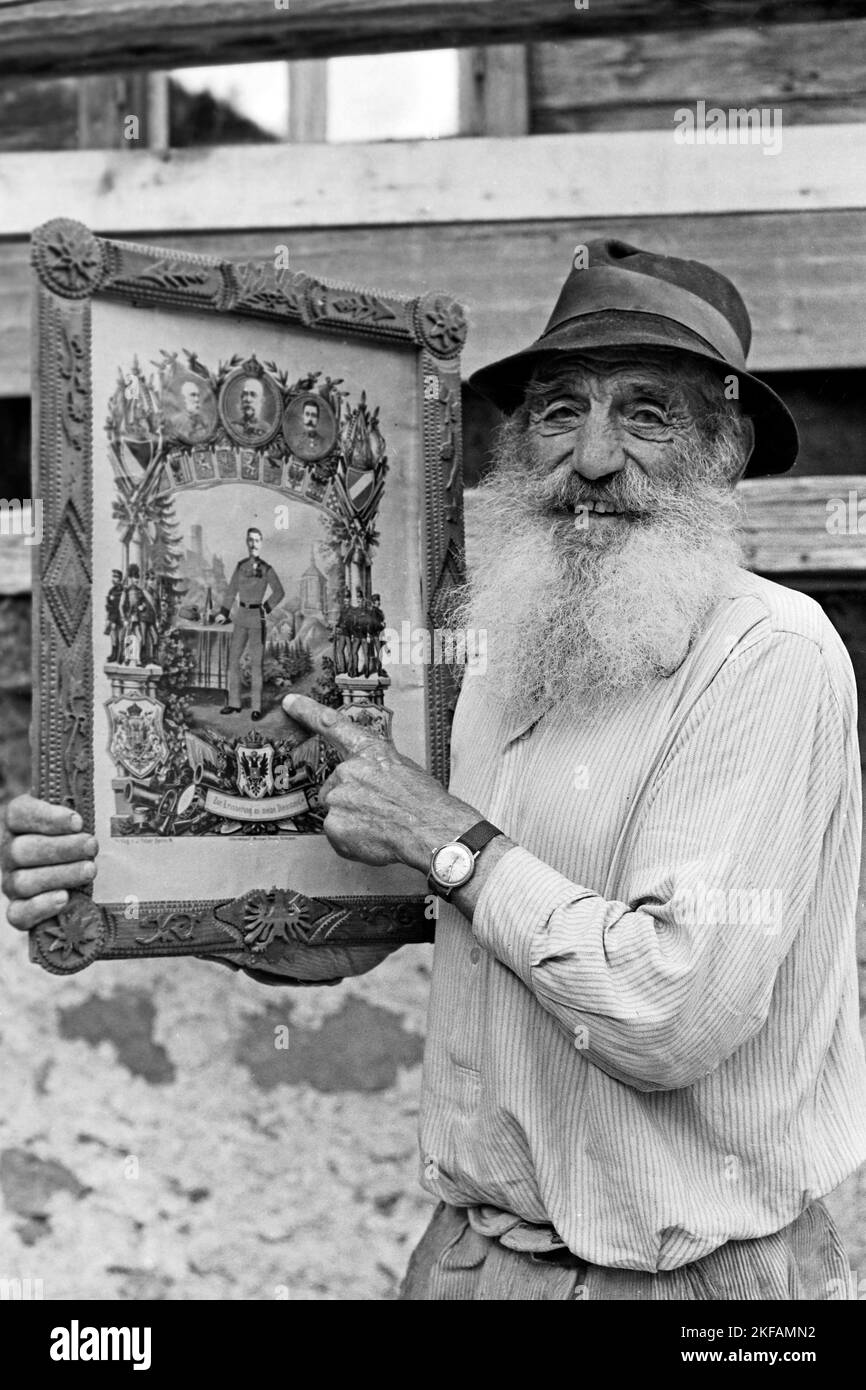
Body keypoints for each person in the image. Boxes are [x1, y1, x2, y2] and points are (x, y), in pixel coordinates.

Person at [4, 239, 866, 1300]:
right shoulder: (506, 639)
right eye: (559, 411)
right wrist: (119, 872)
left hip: (694, 1285)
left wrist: (447, 836)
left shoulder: (769, 653)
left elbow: (665, 1012)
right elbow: (379, 920)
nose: (592, 458)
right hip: (471, 1261)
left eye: (644, 414)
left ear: (724, 448)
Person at [215, 526, 285, 719]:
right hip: (240, 618)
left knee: (256, 664)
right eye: (250, 540)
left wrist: (266, 608)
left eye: (257, 540)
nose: (253, 544)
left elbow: (279, 592)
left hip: (257, 619)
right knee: (233, 660)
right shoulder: (240, 566)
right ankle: (234, 703)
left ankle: (256, 707)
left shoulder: (267, 569)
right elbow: (231, 591)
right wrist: (224, 612)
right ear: (247, 543)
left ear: (261, 543)